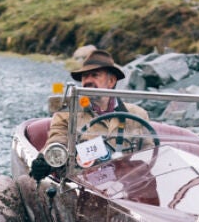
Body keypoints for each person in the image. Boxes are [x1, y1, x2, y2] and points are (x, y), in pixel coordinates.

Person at [31, 50, 150, 178]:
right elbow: (58, 139)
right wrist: (45, 160)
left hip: (125, 183)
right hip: (80, 183)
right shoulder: (67, 113)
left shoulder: (137, 115)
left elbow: (150, 153)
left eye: (94, 75)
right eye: (85, 76)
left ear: (111, 81)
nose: (88, 81)